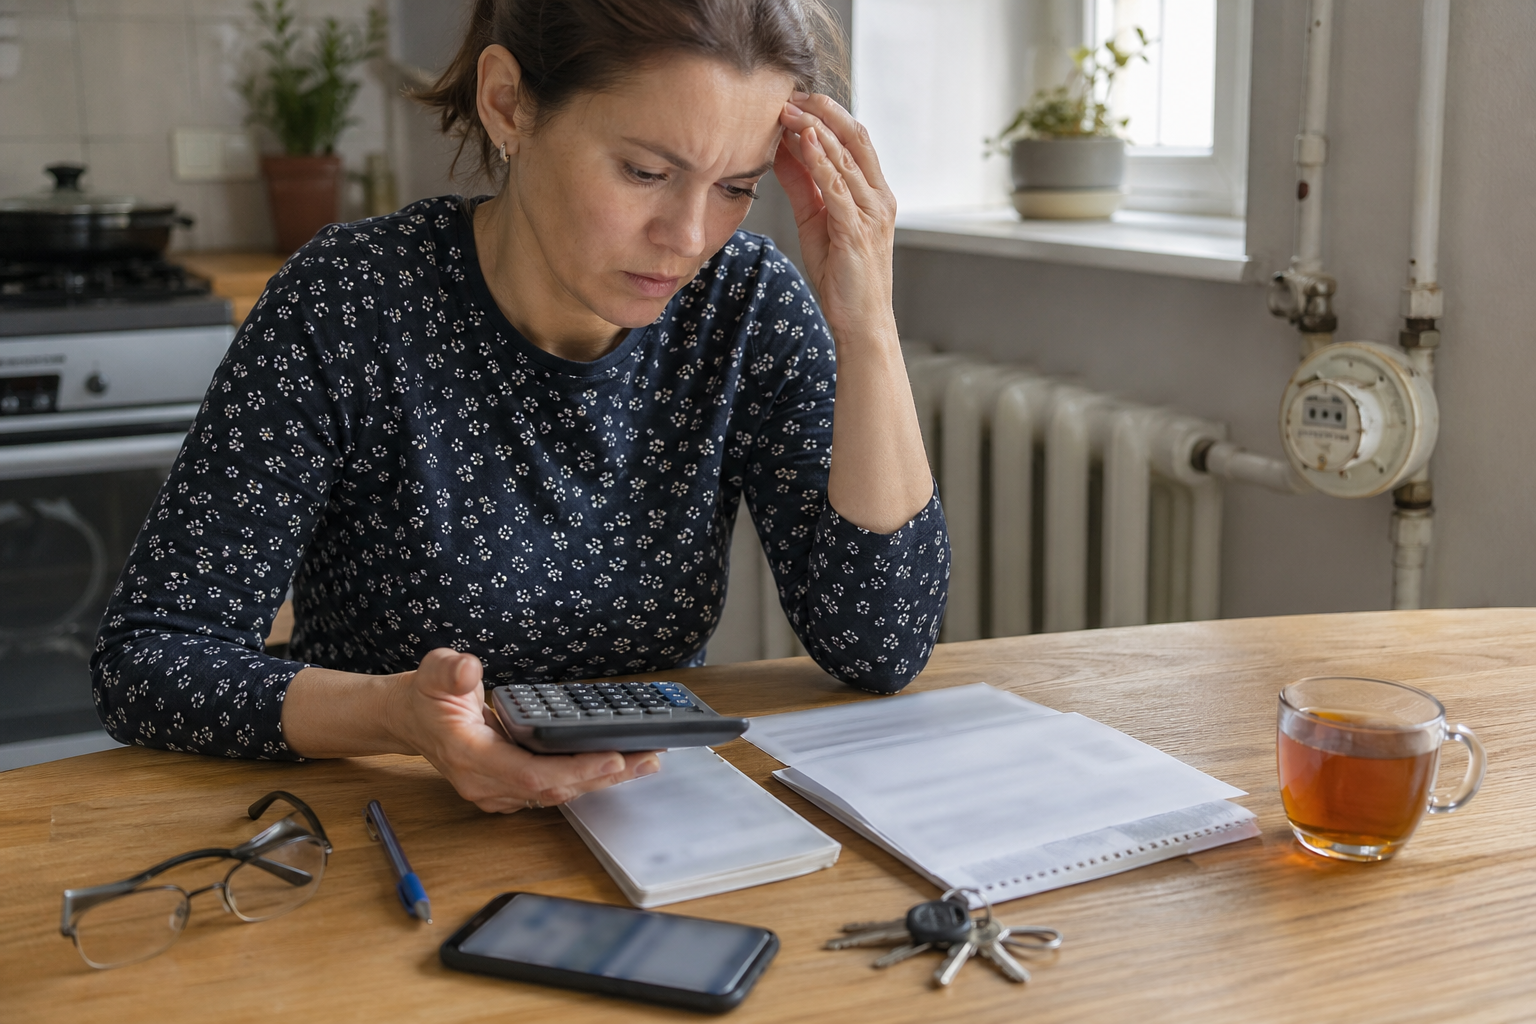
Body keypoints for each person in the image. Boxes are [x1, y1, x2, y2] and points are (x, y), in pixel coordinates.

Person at [92, 0, 948, 813]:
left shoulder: (746, 304)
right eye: (646, 172)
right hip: (387, 821)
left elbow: (882, 647)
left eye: (736, 188)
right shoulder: (351, 299)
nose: (688, 235)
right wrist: (398, 718)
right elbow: (149, 659)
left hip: (647, 821)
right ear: (508, 105)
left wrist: (867, 322)